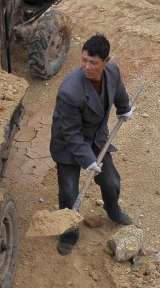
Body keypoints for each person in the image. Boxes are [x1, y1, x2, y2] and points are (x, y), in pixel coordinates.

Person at [49, 34, 134, 256]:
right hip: (69, 144)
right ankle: (68, 233)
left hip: (96, 139)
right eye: (84, 60)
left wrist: (124, 108)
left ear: (106, 61)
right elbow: (71, 133)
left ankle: (113, 211)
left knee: (111, 181)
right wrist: (87, 160)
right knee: (69, 192)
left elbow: (118, 91)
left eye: (93, 63)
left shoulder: (112, 72)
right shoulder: (70, 90)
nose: (87, 66)